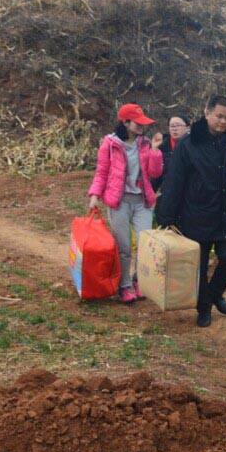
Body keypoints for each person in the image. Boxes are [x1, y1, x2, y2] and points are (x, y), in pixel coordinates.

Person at [157, 95, 226, 327]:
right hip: (196, 213)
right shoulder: (189, 143)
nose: (224, 121)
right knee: (200, 264)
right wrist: (166, 216)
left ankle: (215, 294)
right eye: (219, 116)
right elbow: (175, 181)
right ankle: (203, 307)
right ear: (206, 113)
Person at [87, 103, 164, 303]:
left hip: (142, 202)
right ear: (125, 122)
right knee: (123, 248)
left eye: (142, 123)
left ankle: (140, 281)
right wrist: (95, 195)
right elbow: (102, 171)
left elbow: (155, 173)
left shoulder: (146, 143)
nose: (141, 126)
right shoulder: (110, 144)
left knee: (145, 245)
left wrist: (155, 151)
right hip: (119, 202)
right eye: (137, 123)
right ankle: (125, 286)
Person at [150, 113, 190, 193]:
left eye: (178, 125)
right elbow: (155, 176)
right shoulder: (162, 145)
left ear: (188, 128)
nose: (175, 129)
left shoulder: (195, 145)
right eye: (172, 126)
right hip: (167, 191)